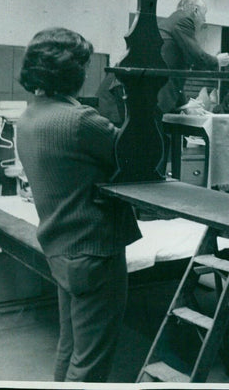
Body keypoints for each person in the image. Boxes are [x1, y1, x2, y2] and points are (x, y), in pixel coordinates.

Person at [15, 28, 142, 382]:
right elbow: (136, 153)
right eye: (83, 65)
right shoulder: (78, 120)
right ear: (70, 72)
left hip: (60, 249)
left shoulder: (28, 118)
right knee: (90, 365)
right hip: (95, 252)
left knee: (70, 350)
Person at [157, 0, 229, 114]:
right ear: (195, 10)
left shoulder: (171, 21)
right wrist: (216, 61)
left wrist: (184, 105)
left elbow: (176, 69)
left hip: (156, 91)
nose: (205, 20)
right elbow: (197, 57)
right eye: (204, 13)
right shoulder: (184, 19)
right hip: (160, 94)